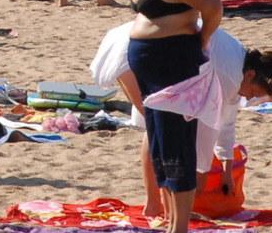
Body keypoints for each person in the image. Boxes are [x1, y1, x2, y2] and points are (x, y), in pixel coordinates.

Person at [117, 0, 222, 233]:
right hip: (155, 70)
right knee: (162, 147)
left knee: (177, 147)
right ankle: (171, 227)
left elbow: (213, 7)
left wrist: (202, 40)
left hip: (175, 69)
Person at [92, 23, 272, 218]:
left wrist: (226, 168)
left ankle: (165, 209)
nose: (250, 99)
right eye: (254, 93)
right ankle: (160, 208)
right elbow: (208, 128)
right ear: (251, 75)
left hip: (149, 49)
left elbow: (226, 121)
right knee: (157, 128)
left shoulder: (241, 65)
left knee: (158, 127)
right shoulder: (231, 74)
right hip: (136, 51)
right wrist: (200, 173)